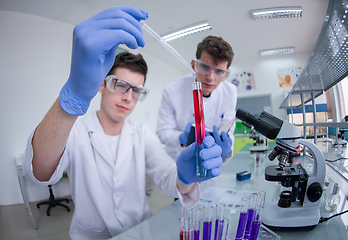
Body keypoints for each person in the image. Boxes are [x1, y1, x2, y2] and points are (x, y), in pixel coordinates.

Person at [21, 6, 223, 240]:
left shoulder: (142, 134)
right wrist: (72, 98)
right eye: (120, 84)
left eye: (136, 90)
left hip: (141, 232)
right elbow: (39, 173)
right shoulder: (75, 129)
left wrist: (186, 177)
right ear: (101, 84)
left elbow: (168, 178)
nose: (128, 96)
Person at [156, 35, 237, 161]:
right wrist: (181, 138)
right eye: (205, 67)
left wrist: (226, 150)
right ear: (194, 65)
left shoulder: (230, 92)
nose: (210, 77)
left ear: (226, 73)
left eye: (219, 71)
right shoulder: (172, 89)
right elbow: (163, 131)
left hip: (210, 160)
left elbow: (228, 131)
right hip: (177, 159)